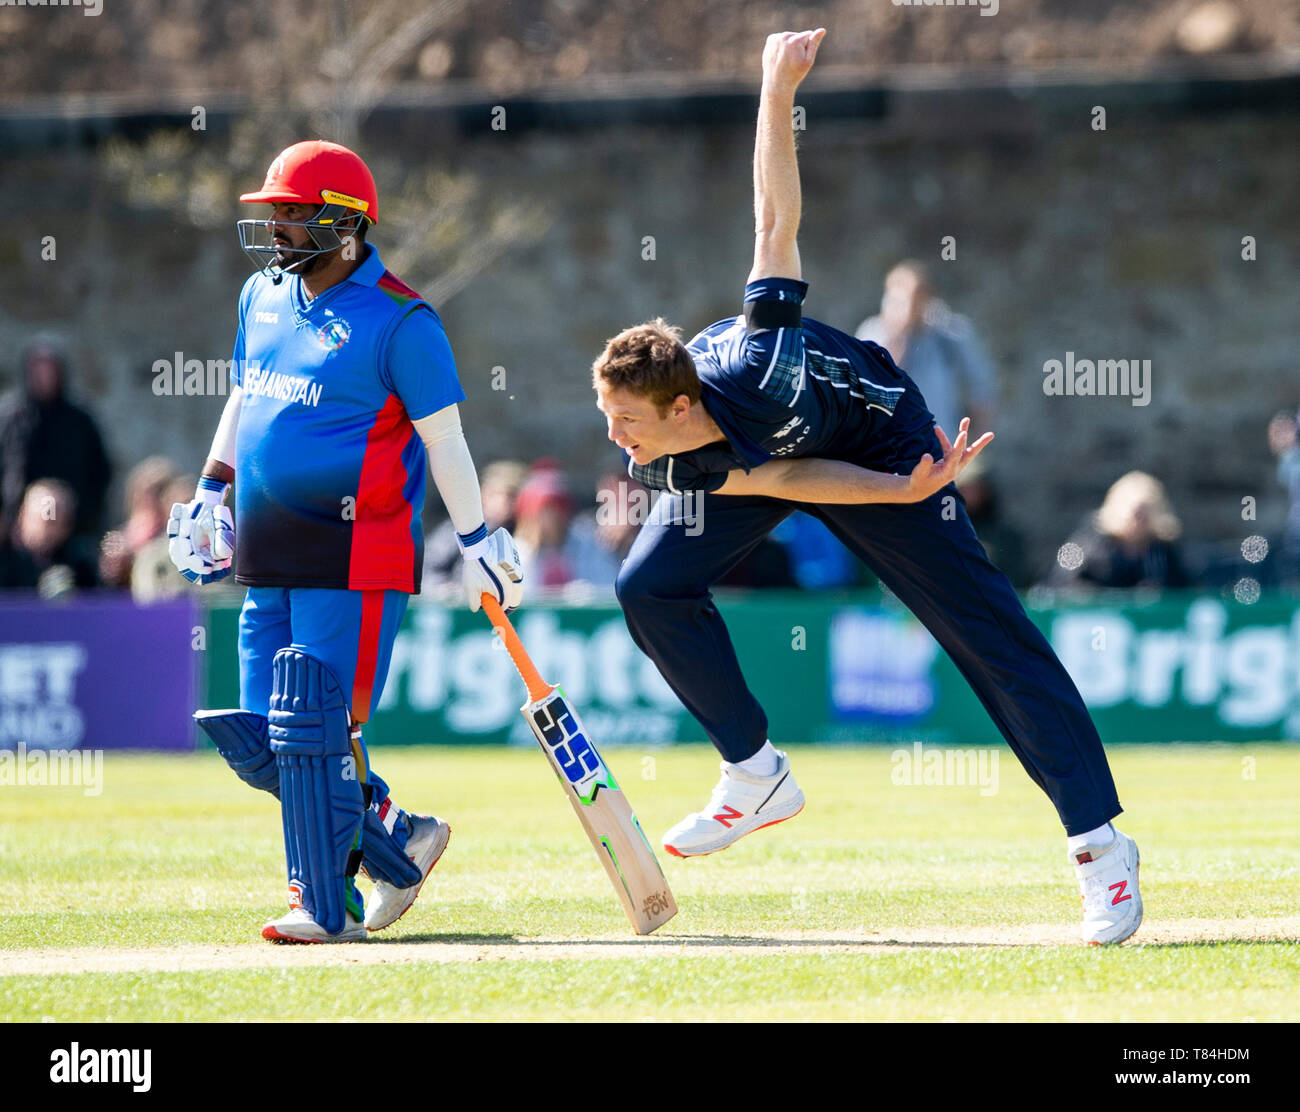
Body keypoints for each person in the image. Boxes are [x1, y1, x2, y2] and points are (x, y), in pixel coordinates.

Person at [591, 30, 1141, 945]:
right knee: (648, 586)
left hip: (887, 441)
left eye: (630, 422)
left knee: (991, 640)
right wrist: (869, 502)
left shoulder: (761, 362)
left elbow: (774, 221)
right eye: (610, 419)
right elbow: (787, 478)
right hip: (795, 461)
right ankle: (754, 772)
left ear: (682, 403)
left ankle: (1102, 851)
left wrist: (775, 82)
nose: (616, 442)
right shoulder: (664, 449)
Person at [168, 140, 523, 943]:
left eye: (294, 215)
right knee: (268, 742)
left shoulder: (403, 319)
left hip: (356, 559)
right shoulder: (260, 295)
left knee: (314, 736)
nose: (278, 231)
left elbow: (447, 443)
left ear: (347, 223)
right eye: (274, 215)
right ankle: (399, 836)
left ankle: (325, 906)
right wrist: (210, 489)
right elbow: (245, 398)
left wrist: (475, 540)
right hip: (268, 550)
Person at [855, 261, 997, 441]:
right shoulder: (873, 334)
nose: (908, 308)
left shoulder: (950, 333)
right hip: (887, 448)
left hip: (940, 445)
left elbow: (982, 389)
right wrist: (898, 335)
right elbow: (867, 390)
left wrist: (970, 442)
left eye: (916, 300)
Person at [0, 338, 112, 546]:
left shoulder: (80, 419)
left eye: (50, 370)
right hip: (14, 530)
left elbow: (99, 471)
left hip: (74, 529)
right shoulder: (9, 417)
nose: (45, 377)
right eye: (39, 370)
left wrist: (81, 514)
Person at [1045, 471, 1191, 591]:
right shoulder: (1087, 546)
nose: (1138, 522)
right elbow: (1059, 585)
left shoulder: (1164, 553)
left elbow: (1182, 591)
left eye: (1145, 515)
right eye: (1135, 514)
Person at [0, 478, 99, 594]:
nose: (45, 528)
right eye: (39, 518)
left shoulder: (80, 564)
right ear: (22, 516)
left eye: (54, 521)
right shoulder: (5, 558)